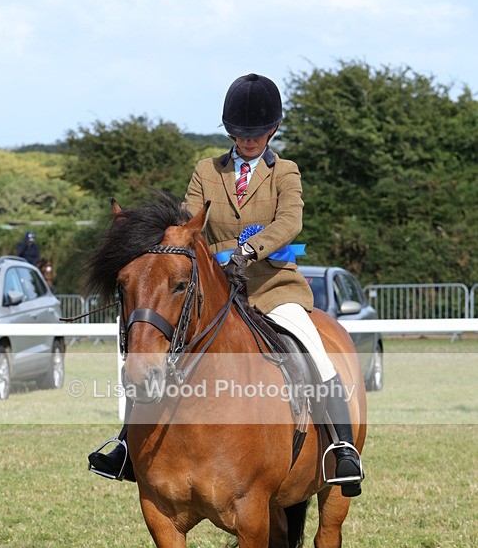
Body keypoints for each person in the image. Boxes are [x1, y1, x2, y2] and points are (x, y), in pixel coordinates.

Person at [88, 73, 363, 495]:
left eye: (255, 135)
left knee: (314, 350)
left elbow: (290, 221)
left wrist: (248, 251)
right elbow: (188, 222)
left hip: (273, 288)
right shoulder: (207, 171)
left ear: (272, 130)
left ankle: (342, 448)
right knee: (155, 348)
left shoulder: (285, 172)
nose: (247, 142)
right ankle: (127, 444)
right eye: (239, 134)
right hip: (216, 290)